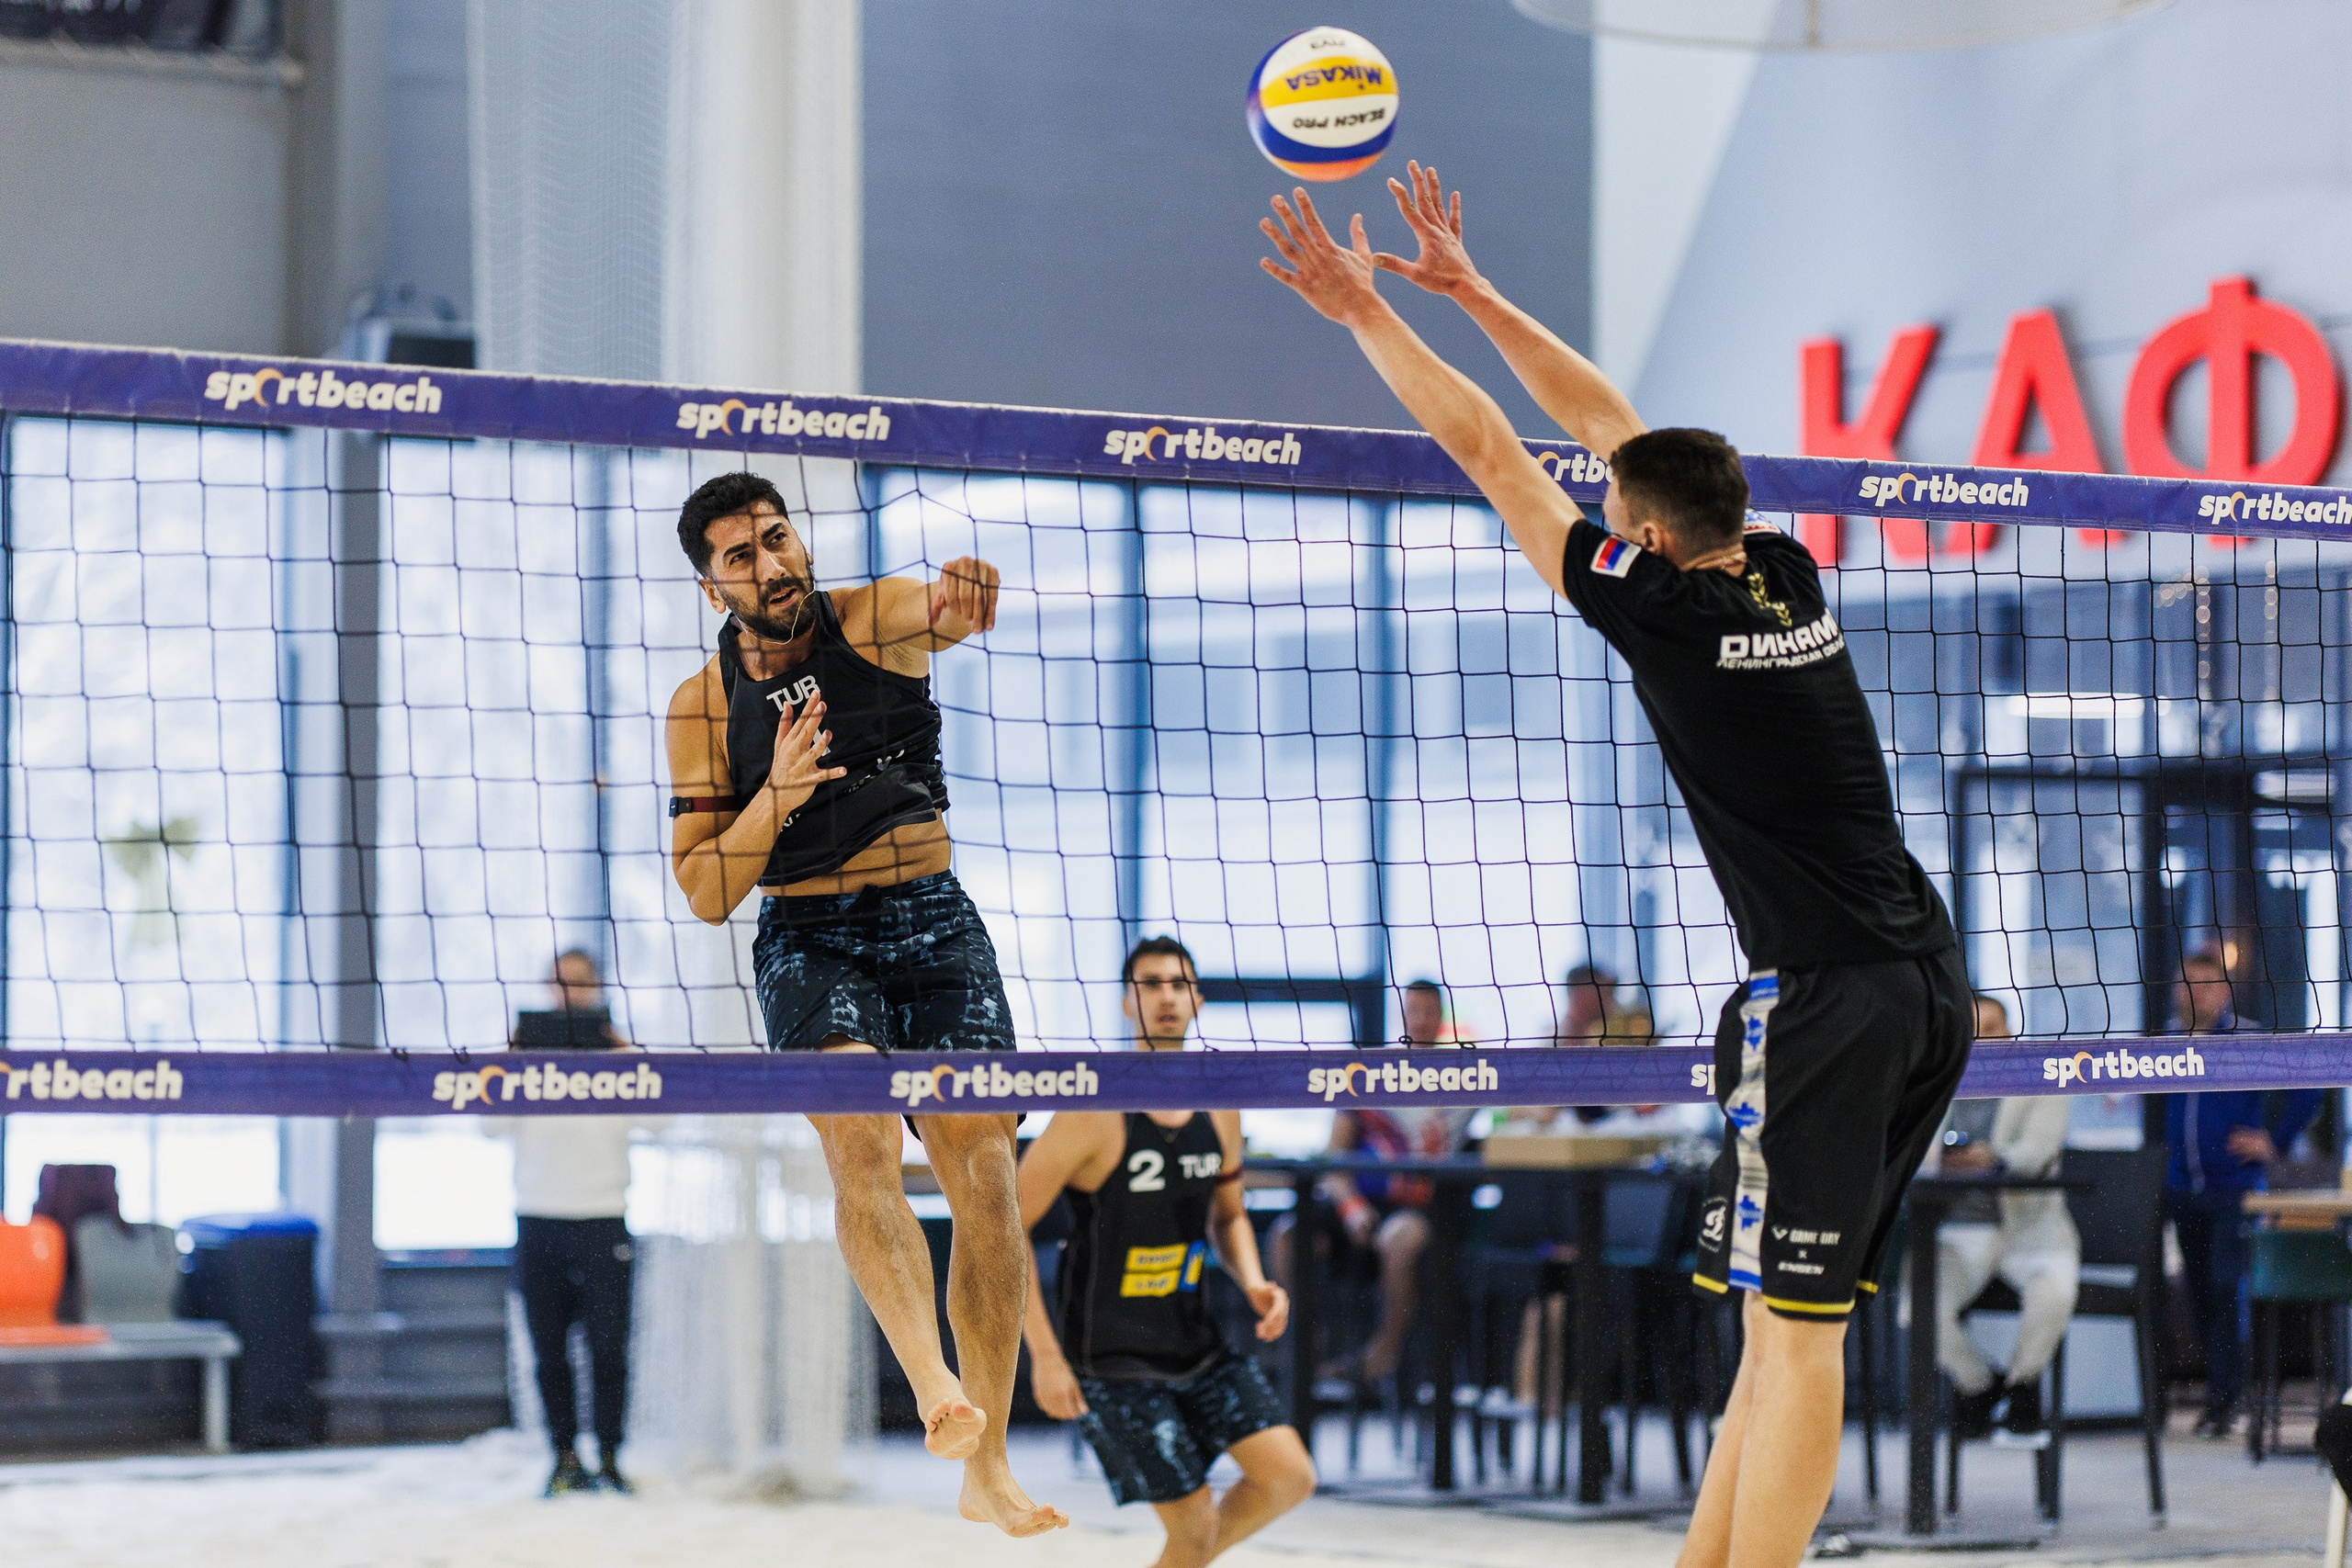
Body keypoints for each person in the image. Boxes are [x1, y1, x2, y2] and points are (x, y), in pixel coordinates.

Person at [1260, 164, 1971, 1568]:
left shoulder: (1664, 614)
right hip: (1924, 983)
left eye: (1617, 505)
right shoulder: (1778, 567)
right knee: (1777, 1317)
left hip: (1827, 1001)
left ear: (1646, 536)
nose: (1601, 488)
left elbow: (1493, 451)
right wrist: (1471, 288)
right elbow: (1614, 427)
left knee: (1802, 1324)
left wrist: (1367, 316)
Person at [662, 472, 1064, 1537]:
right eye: (741, 556)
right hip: (806, 931)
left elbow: (939, 612)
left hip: (931, 914)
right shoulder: (701, 708)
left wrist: (964, 597)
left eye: (777, 538)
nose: (771, 562)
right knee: (858, 1134)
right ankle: (935, 1385)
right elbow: (706, 892)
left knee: (983, 1165)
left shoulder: (868, 615)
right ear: (715, 590)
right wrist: (780, 795)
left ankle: (991, 1467)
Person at [1018, 938, 1316, 1567]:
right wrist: (1045, 1355)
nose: (1165, 995)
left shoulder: (1221, 1103)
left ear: (1198, 999)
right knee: (1195, 1525)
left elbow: (1229, 1213)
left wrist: (1254, 1280)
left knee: (1289, 1476)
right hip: (1110, 1357)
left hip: (1194, 1340)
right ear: (1129, 1001)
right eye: (1150, 983)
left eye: (1178, 984)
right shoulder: (1092, 1110)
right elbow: (1001, 1231)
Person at [484, 950, 655, 1495]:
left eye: (580, 984)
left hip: (605, 1218)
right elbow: (488, 1128)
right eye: (559, 983)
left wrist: (623, 1052)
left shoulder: (621, 1056)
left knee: (609, 1351)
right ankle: (562, 1458)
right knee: (548, 1352)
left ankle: (608, 1458)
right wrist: (513, 1060)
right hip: (538, 1219)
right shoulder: (523, 1058)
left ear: (597, 988)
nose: (569, 993)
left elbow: (668, 1119)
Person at [1281, 977, 1476, 1385]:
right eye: (1413, 1011)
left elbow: (1530, 1104)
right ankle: (1306, 1345)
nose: (1420, 1021)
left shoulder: (1465, 1080)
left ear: (1441, 1019)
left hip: (1417, 1213)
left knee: (1397, 1238)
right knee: (1288, 1236)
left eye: (1429, 1012)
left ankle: (1382, 1355)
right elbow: (1333, 1160)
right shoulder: (1367, 1073)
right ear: (1401, 1017)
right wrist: (1351, 1209)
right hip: (1357, 1207)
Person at [2162, 948, 2322, 1437]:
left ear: (2225, 991)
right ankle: (2218, 1395)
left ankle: (2227, 1399)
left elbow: (2312, 1083)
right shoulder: (2163, 1041)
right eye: (2188, 982)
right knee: (2199, 1291)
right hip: (2181, 1187)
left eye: (2206, 983)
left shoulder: (2247, 1039)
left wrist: (2274, 1141)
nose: (2196, 992)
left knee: (2226, 1288)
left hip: (2235, 1189)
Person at [1931, 995, 2077, 1439]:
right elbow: (1916, 1154)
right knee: (1917, 1308)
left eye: (1990, 1029)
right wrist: (1942, 1159)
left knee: (2051, 1295)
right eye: (1971, 1030)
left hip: (2030, 1230)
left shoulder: (2040, 1080)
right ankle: (1980, 1386)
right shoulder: (1936, 1084)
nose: (1980, 1039)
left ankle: (2023, 1387)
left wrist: (1989, 1159)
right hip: (1958, 1231)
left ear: (2009, 1034)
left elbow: (2035, 1153)